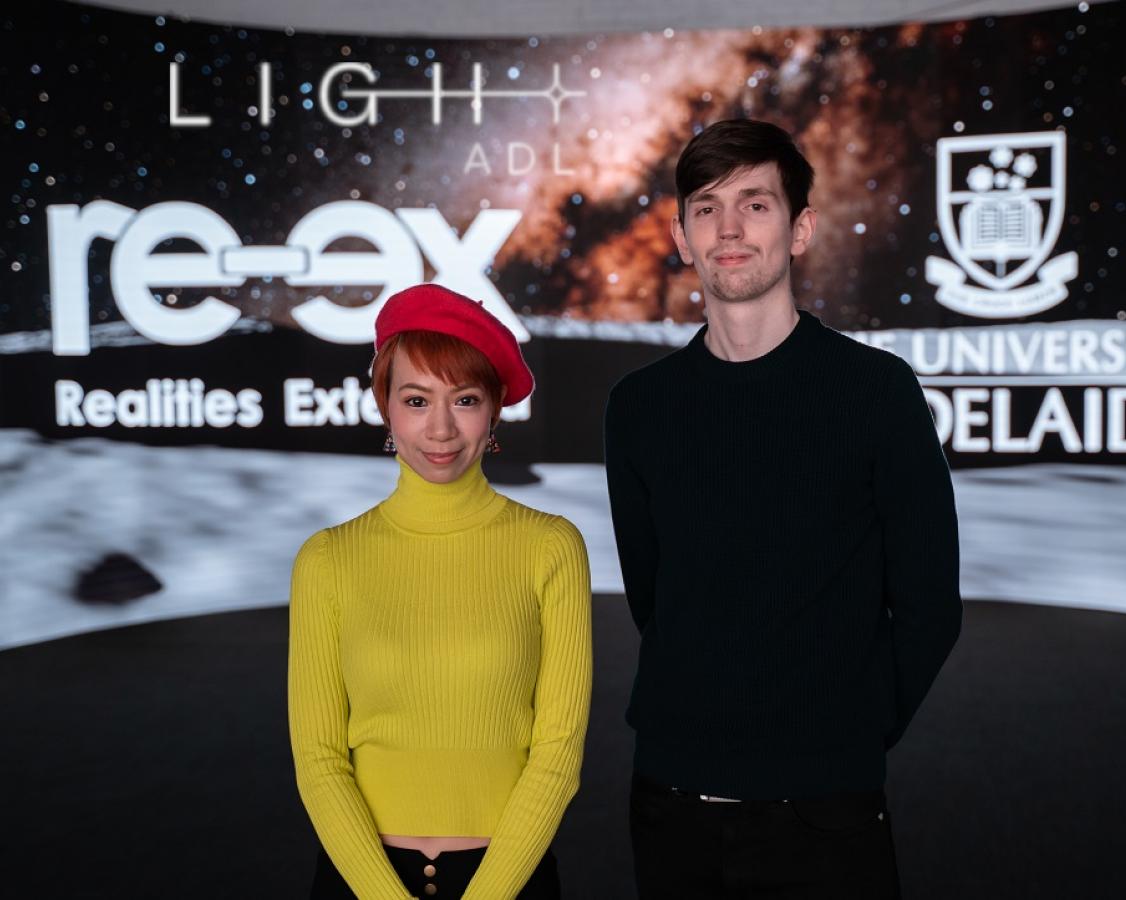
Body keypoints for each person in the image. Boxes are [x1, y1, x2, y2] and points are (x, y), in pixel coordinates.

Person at [604, 118, 962, 898]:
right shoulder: (639, 408)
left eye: (755, 205)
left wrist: (849, 735)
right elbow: (653, 597)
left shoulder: (876, 394)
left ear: (799, 230)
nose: (729, 229)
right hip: (673, 804)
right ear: (681, 235)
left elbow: (931, 605)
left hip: (827, 810)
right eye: (707, 208)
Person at [289, 283, 592, 900]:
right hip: (360, 883)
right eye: (417, 399)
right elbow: (319, 761)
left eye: (466, 399)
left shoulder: (551, 547)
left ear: (495, 410)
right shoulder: (327, 559)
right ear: (386, 407)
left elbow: (557, 755)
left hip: (511, 883)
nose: (442, 429)